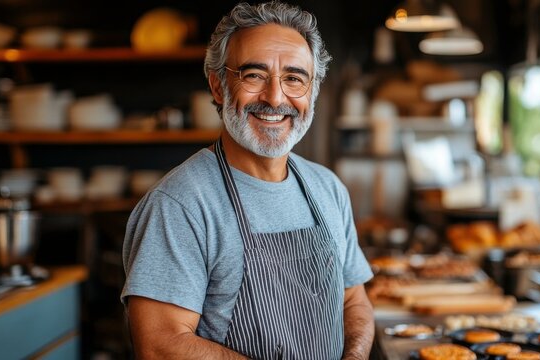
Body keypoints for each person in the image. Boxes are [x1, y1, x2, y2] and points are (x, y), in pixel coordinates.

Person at [121, 2, 375, 359]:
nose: (275, 97)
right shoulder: (180, 204)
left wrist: (355, 356)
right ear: (219, 86)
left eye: (294, 78)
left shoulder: (327, 188)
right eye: (254, 76)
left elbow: (354, 299)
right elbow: (160, 346)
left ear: (312, 91)